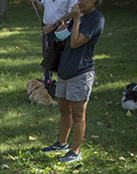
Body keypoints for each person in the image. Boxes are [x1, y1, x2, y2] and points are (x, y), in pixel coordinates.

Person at [40, 0, 104, 164]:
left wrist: (76, 19)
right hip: (64, 69)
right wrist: (62, 28)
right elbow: (67, 38)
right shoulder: (77, 16)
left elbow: (76, 42)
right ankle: (62, 144)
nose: (80, 2)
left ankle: (75, 151)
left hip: (80, 72)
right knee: (64, 111)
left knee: (78, 114)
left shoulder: (96, 19)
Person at [31, 0, 77, 85]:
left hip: (61, 29)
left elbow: (72, 13)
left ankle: (63, 82)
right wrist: (36, 2)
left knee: (63, 56)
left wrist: (54, 25)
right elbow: (45, 10)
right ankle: (47, 82)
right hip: (47, 30)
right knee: (47, 56)